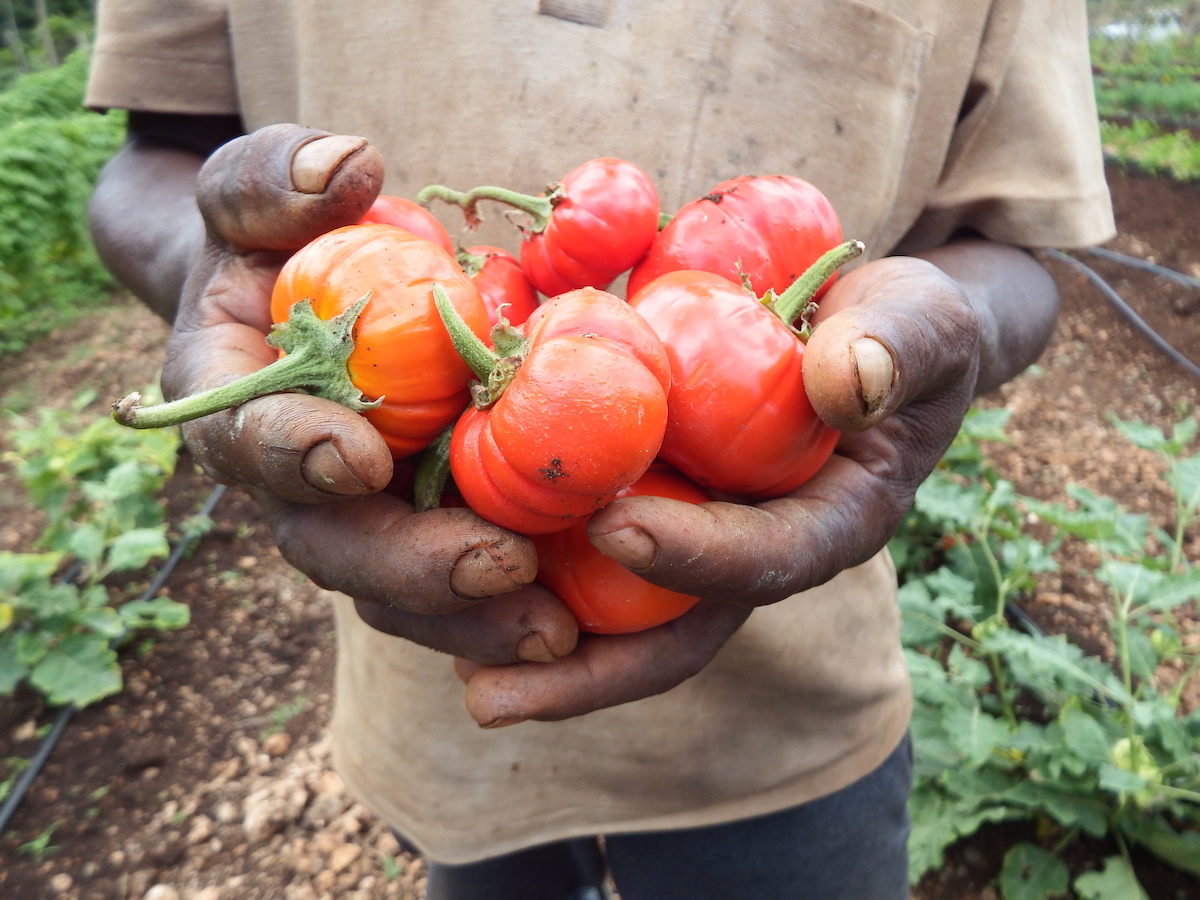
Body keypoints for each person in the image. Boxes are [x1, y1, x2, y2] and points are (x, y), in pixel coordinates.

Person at [84, 2, 1115, 898]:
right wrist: (208, 271)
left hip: (791, 716)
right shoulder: (489, 355)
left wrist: (944, 337)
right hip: (437, 675)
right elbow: (152, 155)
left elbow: (1018, 254)